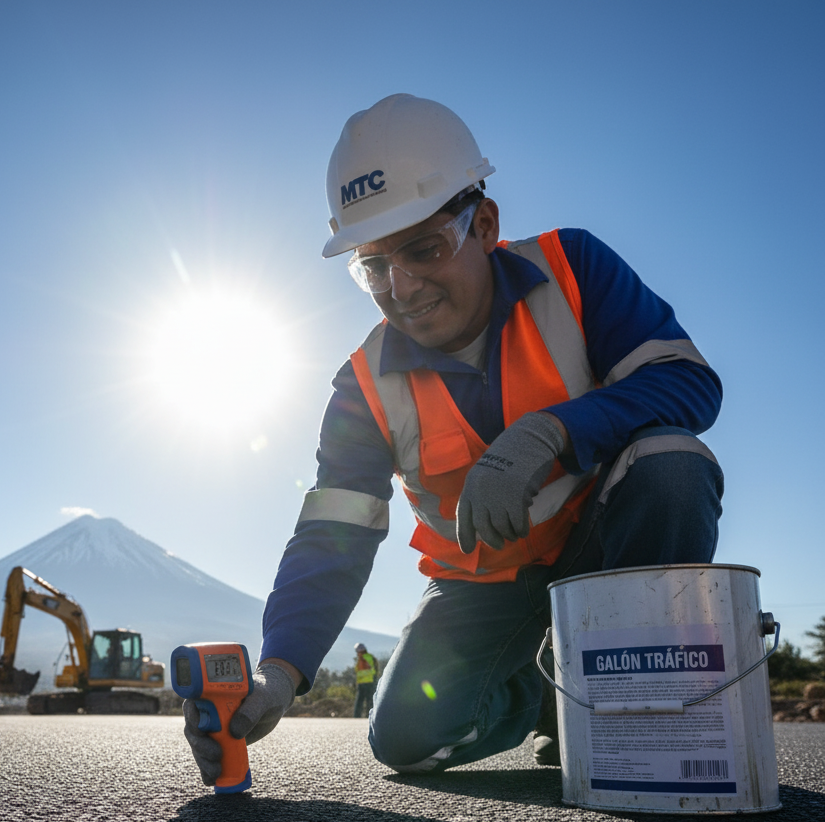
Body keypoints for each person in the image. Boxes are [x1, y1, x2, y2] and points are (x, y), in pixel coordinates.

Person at [184, 94, 723, 785]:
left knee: (672, 464)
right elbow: (332, 534)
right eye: (373, 268)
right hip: (480, 586)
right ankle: (557, 703)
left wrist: (555, 429)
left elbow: (686, 382)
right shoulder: (362, 385)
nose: (401, 289)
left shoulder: (574, 269)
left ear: (486, 224)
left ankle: (631, 710)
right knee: (404, 739)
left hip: (599, 559)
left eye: (424, 249)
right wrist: (279, 672)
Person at [352, 643, 379, 718]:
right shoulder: (369, 658)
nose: (357, 654)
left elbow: (372, 670)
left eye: (357, 652)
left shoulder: (364, 659)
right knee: (369, 701)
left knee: (360, 701)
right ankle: (369, 716)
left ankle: (357, 717)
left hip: (366, 683)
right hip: (366, 682)